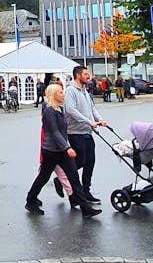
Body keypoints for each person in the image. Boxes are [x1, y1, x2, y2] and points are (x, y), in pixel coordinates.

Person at [24, 84, 100, 218]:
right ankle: (30, 200)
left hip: (62, 150)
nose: (63, 94)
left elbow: (64, 131)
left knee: (73, 177)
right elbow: (54, 133)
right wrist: (68, 147)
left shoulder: (61, 109)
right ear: (54, 95)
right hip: (51, 151)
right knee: (43, 177)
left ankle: (85, 208)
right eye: (60, 92)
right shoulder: (49, 111)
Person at [63, 66, 108, 204]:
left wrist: (99, 119)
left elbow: (91, 108)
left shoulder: (85, 91)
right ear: (78, 76)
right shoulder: (71, 91)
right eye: (85, 74)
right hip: (75, 133)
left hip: (87, 132)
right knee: (80, 161)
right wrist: (89, 121)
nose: (88, 76)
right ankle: (63, 179)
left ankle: (86, 191)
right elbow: (71, 110)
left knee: (90, 162)